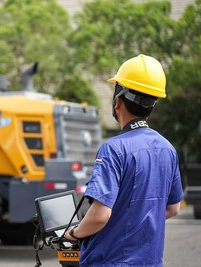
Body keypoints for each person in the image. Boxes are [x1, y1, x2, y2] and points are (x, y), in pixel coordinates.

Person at [64, 54, 183, 266]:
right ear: (152, 104)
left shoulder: (114, 149)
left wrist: (74, 233)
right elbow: (173, 208)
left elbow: (100, 216)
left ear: (117, 101)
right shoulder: (167, 149)